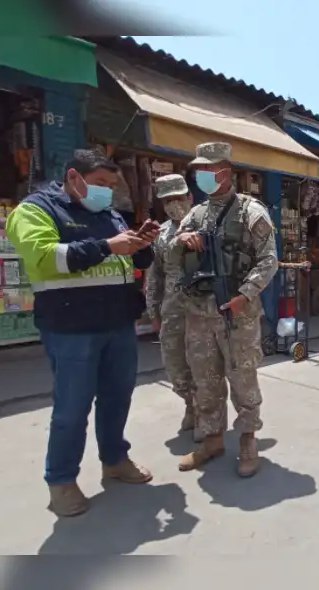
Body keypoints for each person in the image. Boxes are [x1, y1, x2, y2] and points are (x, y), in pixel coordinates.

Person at [6, 149, 160, 517]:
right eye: (100, 184)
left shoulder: (110, 214)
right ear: (74, 177)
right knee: (71, 410)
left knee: (116, 399)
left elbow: (128, 261)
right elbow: (44, 257)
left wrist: (141, 246)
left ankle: (115, 459)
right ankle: (60, 481)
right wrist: (109, 246)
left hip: (118, 324)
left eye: (111, 185)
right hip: (71, 328)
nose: (107, 192)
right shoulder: (34, 210)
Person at [171, 142, 278, 477]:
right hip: (200, 311)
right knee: (206, 378)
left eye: (207, 169)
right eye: (198, 170)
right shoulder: (195, 213)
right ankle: (213, 438)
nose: (201, 175)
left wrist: (245, 295)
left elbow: (269, 260)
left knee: (242, 376)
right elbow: (170, 254)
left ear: (224, 171)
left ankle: (247, 438)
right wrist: (182, 242)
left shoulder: (251, 211)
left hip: (237, 312)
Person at [144, 174, 199, 440]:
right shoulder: (162, 234)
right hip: (173, 310)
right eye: (167, 201)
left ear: (190, 197)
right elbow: (154, 276)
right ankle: (189, 404)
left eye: (178, 198)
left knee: (204, 364)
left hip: (204, 310)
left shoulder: (207, 225)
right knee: (176, 363)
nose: (173, 205)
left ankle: (207, 413)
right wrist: (153, 312)